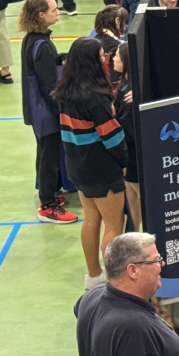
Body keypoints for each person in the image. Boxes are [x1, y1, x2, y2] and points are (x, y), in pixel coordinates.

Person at [57, 37, 128, 284]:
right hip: (101, 168)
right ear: (91, 62)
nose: (105, 59)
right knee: (114, 225)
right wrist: (124, 160)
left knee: (90, 219)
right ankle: (114, 282)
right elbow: (112, 137)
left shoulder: (64, 92)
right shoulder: (96, 97)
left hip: (78, 166)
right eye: (101, 56)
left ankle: (94, 276)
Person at [20, 0, 77, 224]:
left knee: (44, 152)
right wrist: (61, 109)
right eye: (54, 10)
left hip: (35, 109)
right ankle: (48, 205)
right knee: (49, 157)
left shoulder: (32, 38)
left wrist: (59, 58)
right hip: (46, 110)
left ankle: (49, 193)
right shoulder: (42, 45)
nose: (58, 12)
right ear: (41, 15)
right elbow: (48, 85)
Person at [112, 43, 140, 231]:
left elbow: (129, 130)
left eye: (117, 56)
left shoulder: (131, 94)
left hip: (133, 154)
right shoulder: (124, 85)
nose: (114, 59)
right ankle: (134, 233)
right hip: (127, 157)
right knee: (131, 197)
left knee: (139, 195)